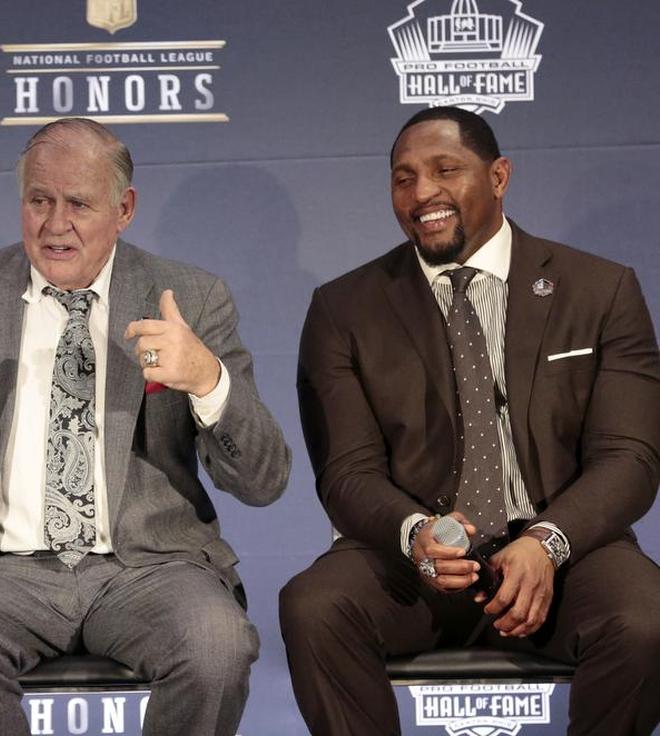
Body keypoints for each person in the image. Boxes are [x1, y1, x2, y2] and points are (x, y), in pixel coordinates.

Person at [0, 117, 290, 735]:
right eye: (39, 201)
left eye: (78, 204)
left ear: (124, 209)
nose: (54, 224)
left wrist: (206, 379)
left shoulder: (191, 297)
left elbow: (264, 479)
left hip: (150, 567)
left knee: (217, 646)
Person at [280, 107, 660, 735]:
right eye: (403, 179)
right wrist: (414, 533)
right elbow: (345, 473)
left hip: (564, 553)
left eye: (444, 170)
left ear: (499, 176)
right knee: (314, 607)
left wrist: (548, 541)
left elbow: (632, 457)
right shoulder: (343, 308)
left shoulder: (600, 290)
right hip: (416, 565)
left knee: (647, 618)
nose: (421, 192)